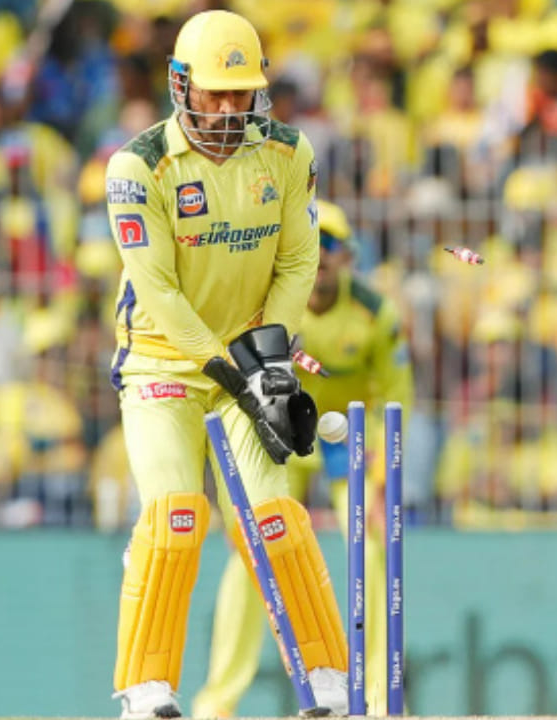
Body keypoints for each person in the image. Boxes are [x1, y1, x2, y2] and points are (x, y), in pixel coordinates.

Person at [104, 10, 347, 718]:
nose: (229, 108)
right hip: (161, 365)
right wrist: (233, 372)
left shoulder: (288, 152)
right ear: (180, 84)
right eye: (215, 92)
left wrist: (268, 357)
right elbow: (159, 292)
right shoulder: (138, 166)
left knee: (272, 517)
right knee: (176, 515)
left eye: (242, 93)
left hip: (246, 355)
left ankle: (327, 678)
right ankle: (146, 688)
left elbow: (298, 261)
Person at [192, 200, 413, 717]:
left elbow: (397, 397)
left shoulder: (374, 313)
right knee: (251, 554)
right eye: (312, 244)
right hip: (281, 436)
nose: (321, 255)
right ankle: (217, 702)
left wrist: (382, 478)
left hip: (346, 441)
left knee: (373, 546)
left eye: (330, 244)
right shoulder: (269, 308)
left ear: (348, 255)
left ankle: (375, 698)